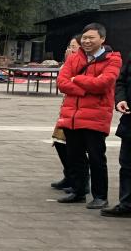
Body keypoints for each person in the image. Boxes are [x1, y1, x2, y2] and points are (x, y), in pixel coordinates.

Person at [56, 22, 123, 209]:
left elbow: (104, 84)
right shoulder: (74, 58)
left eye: (91, 38)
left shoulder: (113, 59)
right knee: (75, 155)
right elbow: (62, 82)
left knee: (96, 157)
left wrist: (76, 79)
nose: (86, 41)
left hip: (96, 116)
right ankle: (78, 191)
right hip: (72, 116)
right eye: (84, 38)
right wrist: (86, 87)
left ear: (102, 39)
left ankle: (100, 196)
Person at [50, 36, 88, 194]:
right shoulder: (70, 62)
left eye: (74, 46)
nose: (70, 49)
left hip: (81, 111)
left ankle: (80, 181)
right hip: (67, 109)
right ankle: (69, 175)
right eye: (70, 46)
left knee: (75, 147)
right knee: (59, 142)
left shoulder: (86, 62)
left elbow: (77, 83)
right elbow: (62, 82)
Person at [101, 56, 131, 217]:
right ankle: (126, 204)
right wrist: (121, 99)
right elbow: (121, 81)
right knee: (127, 165)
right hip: (129, 122)